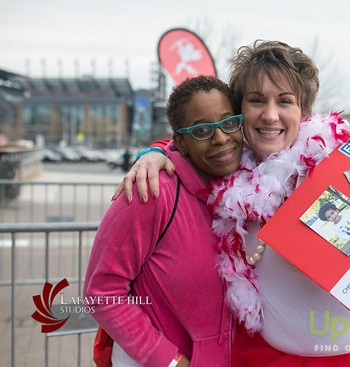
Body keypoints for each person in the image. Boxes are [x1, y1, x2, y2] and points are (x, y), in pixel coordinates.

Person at [115, 40, 350, 366]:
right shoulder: (225, 174)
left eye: (284, 101)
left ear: (304, 112)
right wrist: (156, 152)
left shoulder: (337, 157)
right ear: (239, 112)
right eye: (257, 100)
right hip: (277, 355)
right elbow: (192, 138)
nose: (270, 115)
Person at [84, 75, 243, 367]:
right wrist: (170, 361)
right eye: (202, 130)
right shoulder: (150, 191)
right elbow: (102, 291)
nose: (221, 138)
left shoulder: (244, 190)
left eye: (229, 122)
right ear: (180, 141)